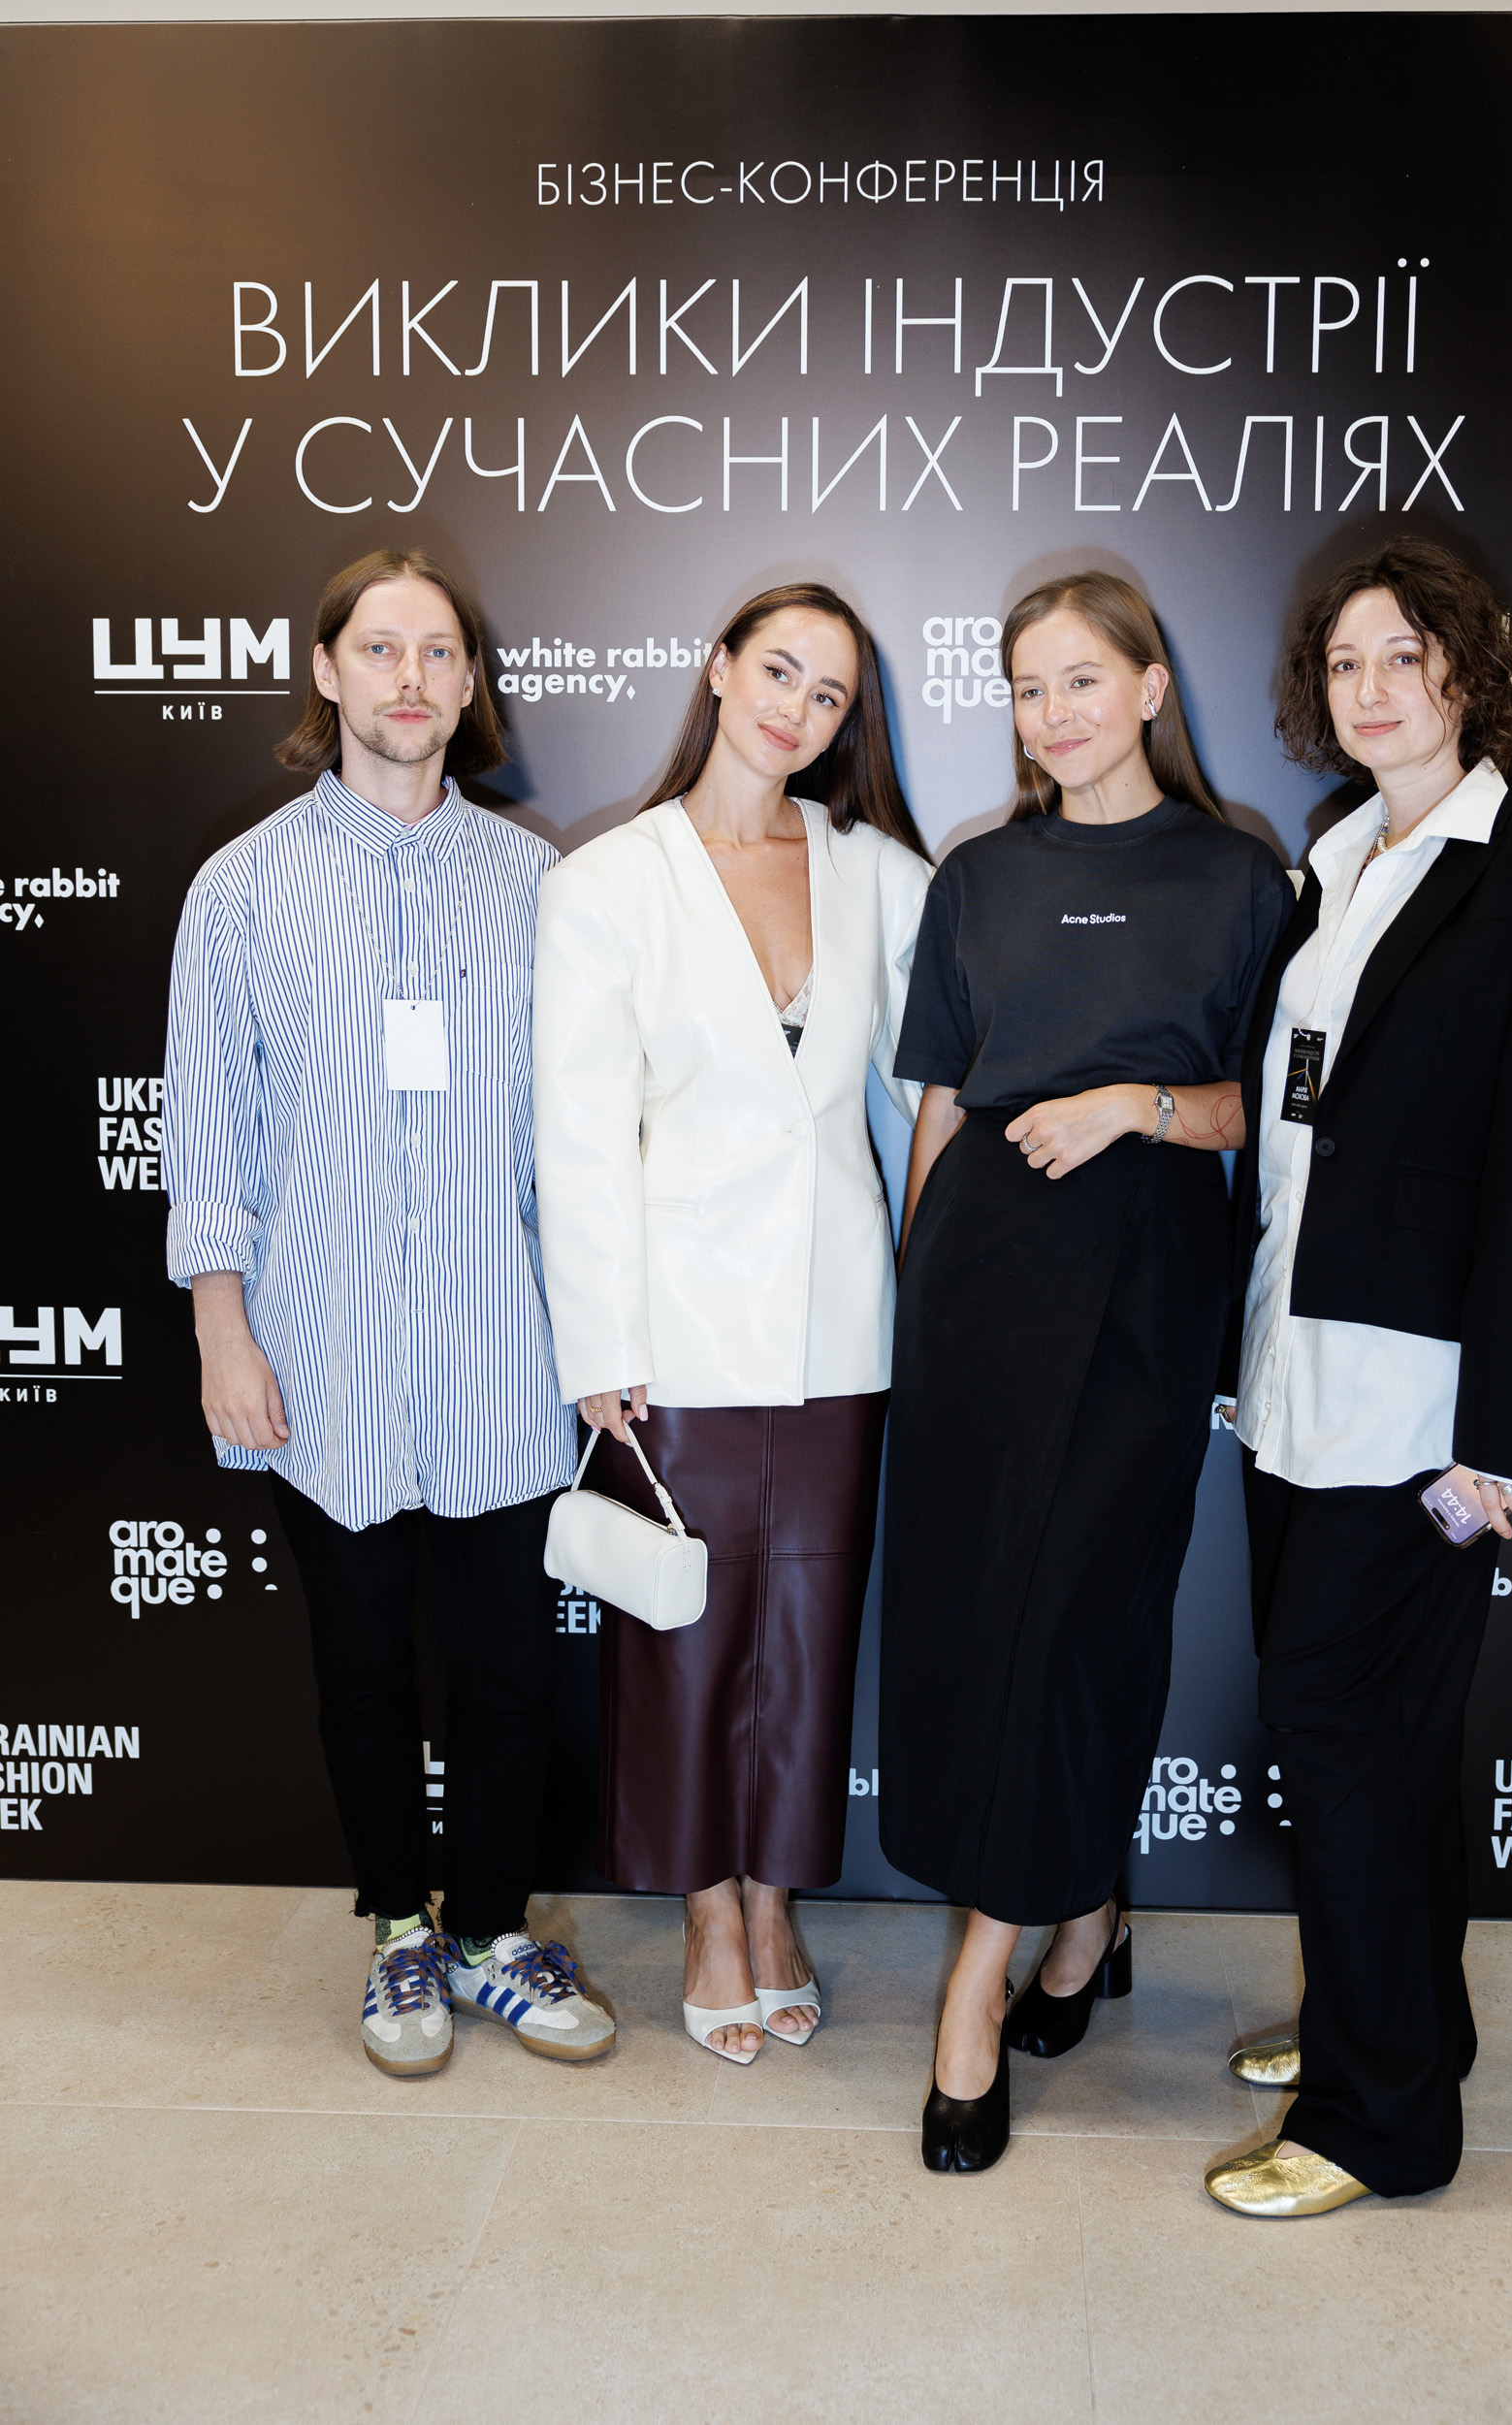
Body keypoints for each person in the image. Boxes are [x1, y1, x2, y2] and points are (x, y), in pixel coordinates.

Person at [1204, 539, 1512, 2217]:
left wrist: (1506, 1436)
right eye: (1346, 662)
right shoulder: (1335, 859)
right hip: (1293, 1376)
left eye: (1405, 654)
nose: (1373, 688)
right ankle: (1401, 2022)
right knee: (1382, 1741)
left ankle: (1384, 2124)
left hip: (1419, 1411)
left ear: (1468, 668)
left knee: (1340, 1733)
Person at [162, 547, 614, 2079]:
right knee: (358, 1674)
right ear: (327, 670)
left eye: (436, 652)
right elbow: (208, 1128)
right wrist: (223, 1329)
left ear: (470, 684)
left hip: (505, 1356)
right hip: (321, 1359)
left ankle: (489, 1933)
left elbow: (578, 1140)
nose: (408, 678)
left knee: (509, 1677)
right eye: (379, 648)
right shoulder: (241, 889)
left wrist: (598, 1339)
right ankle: (396, 1934)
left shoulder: (540, 885)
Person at [880, 571, 1294, 2172]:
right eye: (1026, 688)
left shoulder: (1240, 876)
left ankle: (975, 1989)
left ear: (1149, 687)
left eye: (1080, 680)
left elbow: (1280, 1109)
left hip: (1142, 1284)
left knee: (1079, 1613)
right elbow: (939, 1101)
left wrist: (1138, 1105)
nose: (1052, 714)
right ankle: (1083, 1909)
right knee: (982, 1613)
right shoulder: (978, 875)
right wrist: (917, 1295)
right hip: (979, 1286)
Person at [533, 582, 931, 2063]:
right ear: (717, 669)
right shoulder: (608, 881)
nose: (796, 711)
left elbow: (937, 1089)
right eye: (778, 672)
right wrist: (600, 1348)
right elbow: (578, 1135)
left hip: (838, 1328)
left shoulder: (877, 873)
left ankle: (777, 1903)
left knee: (810, 1639)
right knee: (686, 1642)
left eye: (829, 695)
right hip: (675, 1329)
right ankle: (708, 1913)